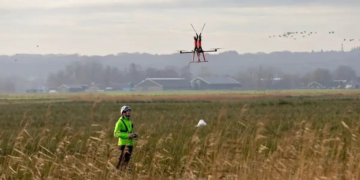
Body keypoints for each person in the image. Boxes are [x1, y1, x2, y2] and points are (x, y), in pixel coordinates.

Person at [113, 105, 138, 172]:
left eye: (129, 111)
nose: (129, 112)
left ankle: (124, 175)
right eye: (127, 111)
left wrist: (134, 135)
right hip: (122, 145)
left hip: (130, 144)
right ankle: (117, 175)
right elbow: (115, 133)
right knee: (120, 162)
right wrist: (127, 135)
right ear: (123, 113)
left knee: (126, 162)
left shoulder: (130, 122)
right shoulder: (119, 122)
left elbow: (130, 132)